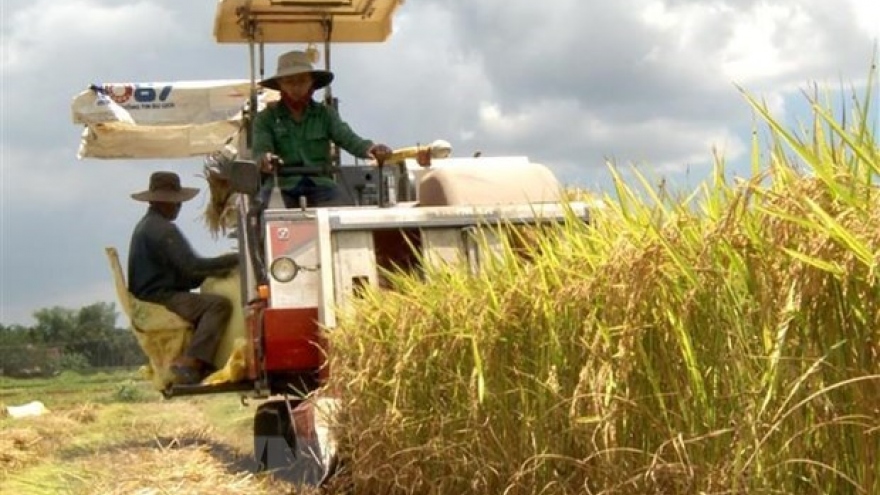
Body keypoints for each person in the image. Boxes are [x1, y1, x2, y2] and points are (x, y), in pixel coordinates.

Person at [127, 171, 239, 385]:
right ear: (157, 202)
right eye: (174, 202)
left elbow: (188, 275)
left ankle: (200, 360)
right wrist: (233, 260)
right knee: (218, 305)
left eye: (178, 203)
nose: (178, 207)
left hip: (153, 294)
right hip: (159, 298)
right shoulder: (162, 230)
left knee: (206, 302)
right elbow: (193, 267)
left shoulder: (148, 226)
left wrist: (216, 270)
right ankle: (191, 362)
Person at [253, 50, 392, 208]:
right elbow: (260, 150)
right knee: (268, 213)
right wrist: (266, 160)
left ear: (311, 81)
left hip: (321, 185)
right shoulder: (266, 118)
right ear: (280, 85)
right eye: (289, 81)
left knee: (344, 214)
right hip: (281, 185)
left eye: (302, 80)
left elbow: (347, 137)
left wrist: (371, 149)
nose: (296, 87)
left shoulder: (325, 115)